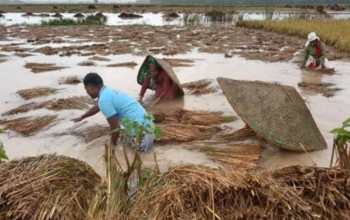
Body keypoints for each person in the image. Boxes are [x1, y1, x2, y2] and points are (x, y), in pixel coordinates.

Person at [72, 73, 154, 153]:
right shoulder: (108, 91)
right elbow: (98, 107)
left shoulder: (104, 100)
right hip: (149, 128)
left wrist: (112, 146)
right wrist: (82, 117)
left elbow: (115, 127)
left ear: (91, 87)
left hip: (141, 137)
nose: (87, 92)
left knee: (140, 158)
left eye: (86, 89)